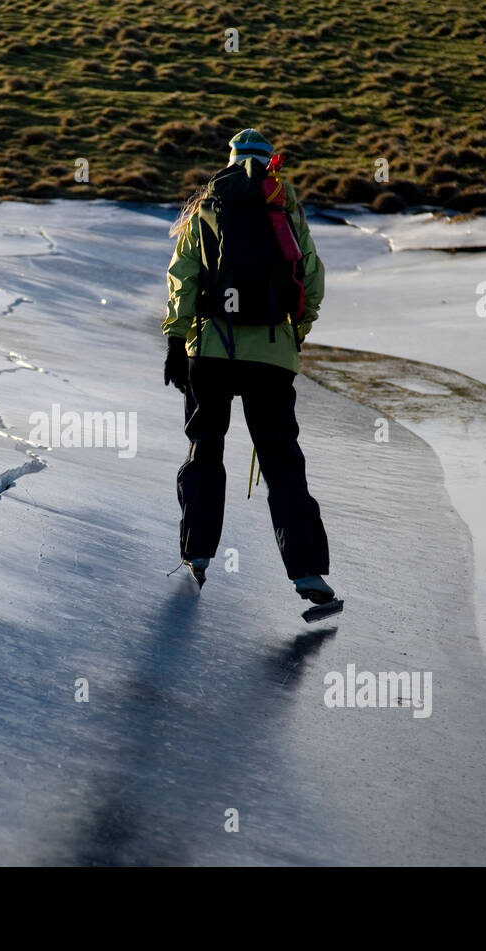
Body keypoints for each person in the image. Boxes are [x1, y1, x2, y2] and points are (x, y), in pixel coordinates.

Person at [162, 128, 335, 609]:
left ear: (231, 159)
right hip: (271, 358)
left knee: (205, 449)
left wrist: (177, 342)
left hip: (211, 353)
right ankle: (307, 574)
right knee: (282, 462)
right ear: (270, 162)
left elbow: (185, 277)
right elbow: (312, 281)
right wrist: (292, 336)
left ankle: (196, 555)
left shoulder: (209, 204)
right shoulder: (285, 206)